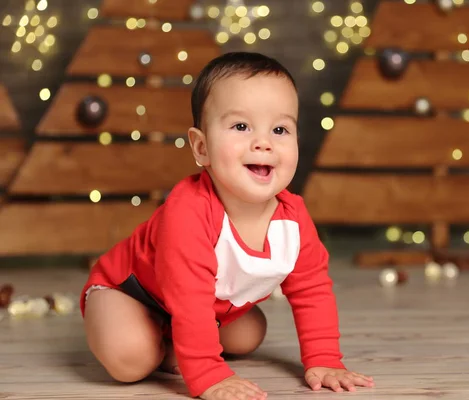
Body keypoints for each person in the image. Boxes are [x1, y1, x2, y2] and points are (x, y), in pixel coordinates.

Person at [80, 51, 375, 400]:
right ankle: (163, 342)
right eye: (241, 126)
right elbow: (189, 297)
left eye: (280, 129)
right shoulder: (188, 211)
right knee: (131, 359)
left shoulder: (292, 219)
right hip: (130, 292)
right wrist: (207, 373)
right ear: (201, 147)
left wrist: (324, 359)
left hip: (202, 305)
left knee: (249, 334)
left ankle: (173, 341)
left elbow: (312, 290)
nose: (263, 142)